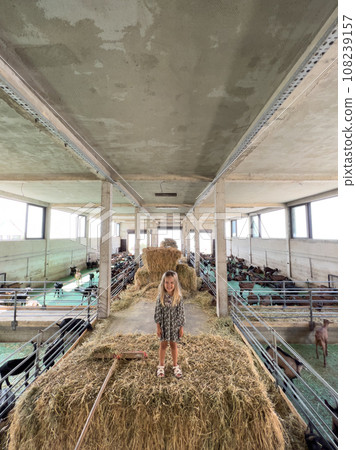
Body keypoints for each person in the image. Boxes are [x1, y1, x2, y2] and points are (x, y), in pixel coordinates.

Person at [154, 270, 185, 378]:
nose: (169, 285)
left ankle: (175, 366)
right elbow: (157, 312)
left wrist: (181, 327)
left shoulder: (178, 298)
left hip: (174, 326)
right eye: (166, 282)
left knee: (173, 345)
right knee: (163, 345)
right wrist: (158, 327)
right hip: (164, 325)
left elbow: (181, 313)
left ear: (175, 284)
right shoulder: (160, 297)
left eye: (172, 282)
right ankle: (161, 366)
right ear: (163, 283)